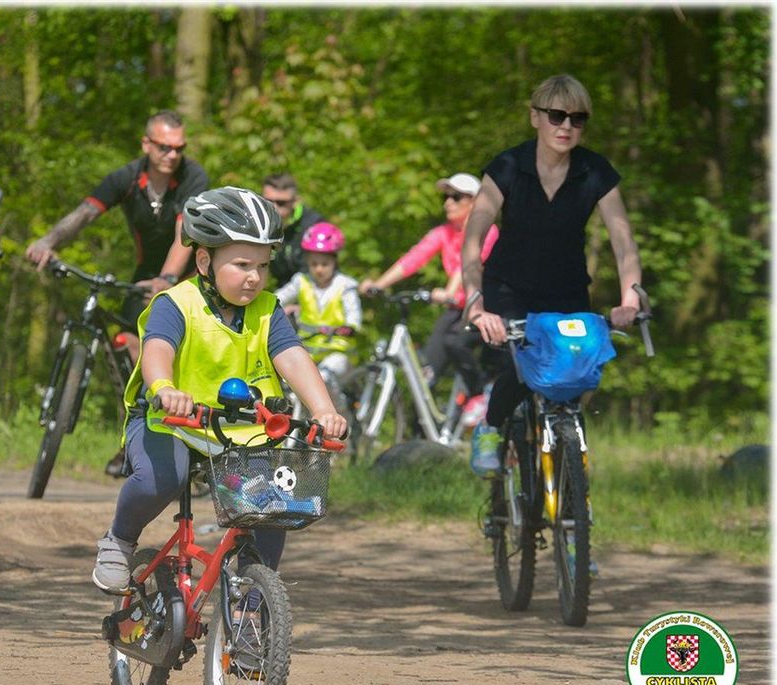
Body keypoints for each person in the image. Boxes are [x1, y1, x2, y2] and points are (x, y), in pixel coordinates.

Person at [91, 186, 348, 594]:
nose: (254, 277)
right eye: (242, 264)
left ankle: (253, 599)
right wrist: (163, 386)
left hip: (239, 430)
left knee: (271, 503)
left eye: (262, 266)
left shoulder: (267, 308)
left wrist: (324, 409)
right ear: (205, 260)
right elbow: (158, 348)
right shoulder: (176, 303)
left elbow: (293, 357)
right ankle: (119, 539)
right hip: (170, 420)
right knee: (163, 478)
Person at [461, 74, 644, 477]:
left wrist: (631, 298)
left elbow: (623, 241)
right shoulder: (507, 166)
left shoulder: (596, 172)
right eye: (557, 115)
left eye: (577, 119)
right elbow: (473, 240)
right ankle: (490, 428)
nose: (566, 127)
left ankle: (567, 484)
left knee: (575, 374)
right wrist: (476, 303)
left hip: (567, 292)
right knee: (518, 365)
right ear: (535, 117)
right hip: (508, 289)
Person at [25, 109, 209, 476]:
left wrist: (168, 279)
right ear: (146, 144)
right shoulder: (127, 177)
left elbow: (183, 236)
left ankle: (192, 442)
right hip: (146, 275)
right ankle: (136, 440)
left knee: (177, 350)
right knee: (128, 345)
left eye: (179, 148)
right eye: (164, 147)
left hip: (190, 272)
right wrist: (48, 241)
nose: (172, 155)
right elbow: (85, 213)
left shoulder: (193, 177)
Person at [359, 172, 500, 401]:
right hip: (457, 308)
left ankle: (478, 399)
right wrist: (379, 284)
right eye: (446, 197)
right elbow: (414, 258)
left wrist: (450, 292)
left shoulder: (488, 231)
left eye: (456, 197)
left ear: (475, 201)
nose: (448, 202)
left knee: (455, 342)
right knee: (427, 370)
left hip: (485, 307)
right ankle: (421, 428)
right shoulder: (444, 232)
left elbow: (468, 263)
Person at [274, 221, 361, 403]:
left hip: (338, 352)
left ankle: (340, 415)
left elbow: (354, 317)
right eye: (314, 264)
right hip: (307, 350)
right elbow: (278, 298)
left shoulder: (345, 285)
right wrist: (276, 308)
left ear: (335, 262)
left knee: (324, 377)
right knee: (289, 382)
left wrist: (348, 327)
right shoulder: (301, 281)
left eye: (325, 264)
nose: (319, 269)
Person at [261, 172, 325, 288]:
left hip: (312, 291)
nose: (274, 207)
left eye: (281, 203)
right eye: (268, 201)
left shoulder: (314, 225)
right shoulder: (256, 224)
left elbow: (323, 272)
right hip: (280, 293)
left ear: (295, 201)